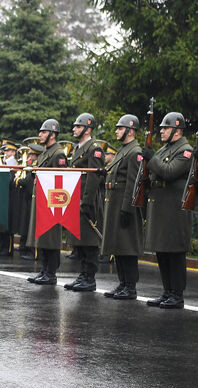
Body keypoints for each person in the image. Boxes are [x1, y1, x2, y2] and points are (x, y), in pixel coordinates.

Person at [143, 111, 193, 309]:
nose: (161, 131)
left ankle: (176, 295)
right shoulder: (166, 149)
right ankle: (167, 291)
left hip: (174, 209)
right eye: (162, 127)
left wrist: (152, 158)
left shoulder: (185, 151)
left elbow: (169, 172)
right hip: (161, 206)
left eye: (166, 128)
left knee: (175, 253)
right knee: (162, 252)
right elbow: (157, 172)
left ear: (178, 131)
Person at [100, 114, 144, 300]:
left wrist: (127, 207)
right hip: (115, 201)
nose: (116, 131)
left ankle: (130, 287)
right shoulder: (124, 150)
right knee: (117, 246)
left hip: (124, 204)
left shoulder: (134, 152)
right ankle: (123, 283)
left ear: (130, 130)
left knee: (127, 247)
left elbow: (133, 183)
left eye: (120, 128)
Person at [63, 113, 104, 292]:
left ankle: (90, 278)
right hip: (77, 198)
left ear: (87, 129)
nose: (74, 129)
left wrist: (87, 202)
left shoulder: (94, 148)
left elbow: (94, 177)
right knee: (80, 239)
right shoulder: (79, 148)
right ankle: (83, 275)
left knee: (89, 240)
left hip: (88, 199)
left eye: (78, 127)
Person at [27, 119, 68, 285]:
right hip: (42, 201)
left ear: (52, 134)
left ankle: (51, 273)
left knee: (51, 238)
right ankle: (44, 270)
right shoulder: (45, 152)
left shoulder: (58, 153)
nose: (40, 135)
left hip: (52, 202)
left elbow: (60, 179)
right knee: (43, 237)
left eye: (43, 132)